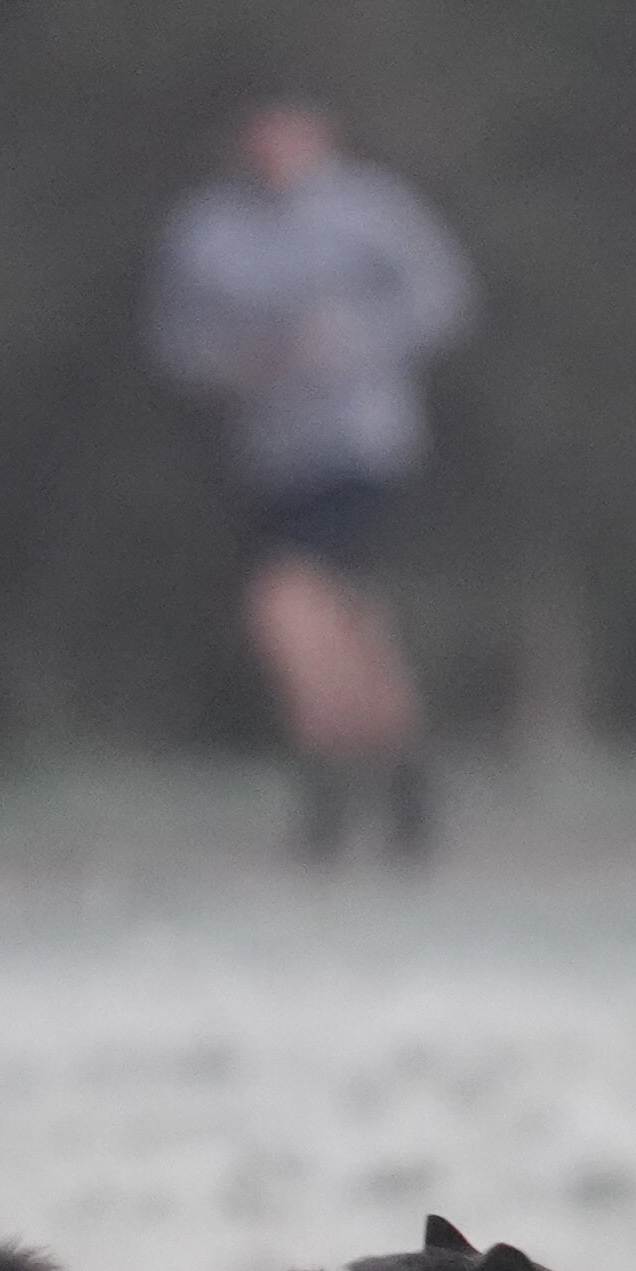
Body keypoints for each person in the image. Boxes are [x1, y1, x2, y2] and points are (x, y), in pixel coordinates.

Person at [147, 96, 475, 860]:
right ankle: (400, 786)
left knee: (285, 607)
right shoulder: (209, 230)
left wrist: (352, 339)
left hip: (362, 446)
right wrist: (237, 360)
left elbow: (442, 299)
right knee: (348, 629)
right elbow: (175, 339)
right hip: (270, 454)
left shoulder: (370, 211)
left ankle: (327, 795)